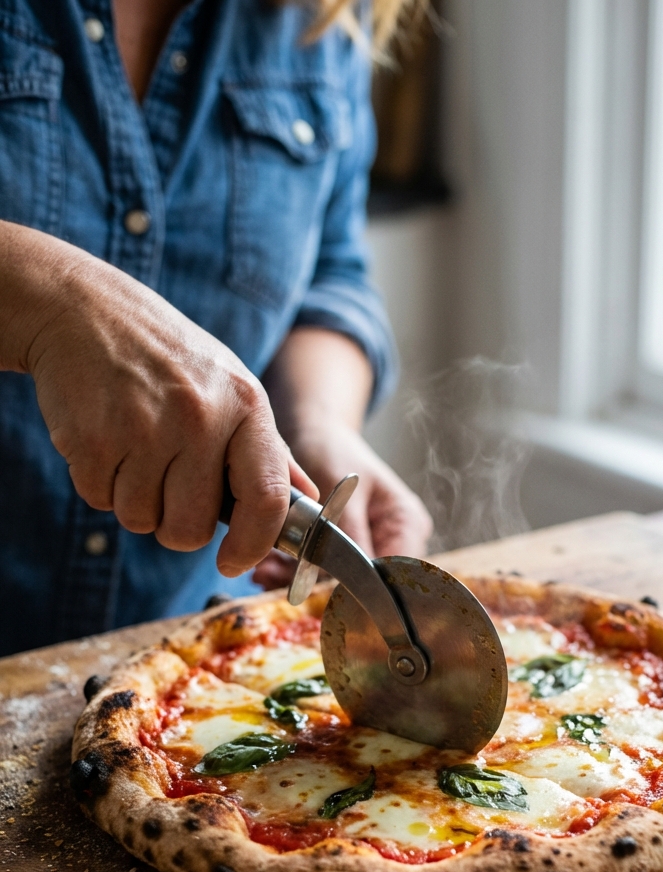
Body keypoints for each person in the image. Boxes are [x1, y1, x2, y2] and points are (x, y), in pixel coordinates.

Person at [0, 0, 432, 657]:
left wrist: (317, 422)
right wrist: (55, 303)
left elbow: (330, 273)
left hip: (180, 653)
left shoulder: (319, 17)